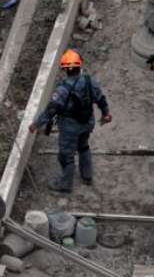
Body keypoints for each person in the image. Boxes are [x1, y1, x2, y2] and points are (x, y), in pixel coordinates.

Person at [29, 49, 112, 192]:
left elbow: (51, 110)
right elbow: (101, 99)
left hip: (70, 128)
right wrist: (106, 114)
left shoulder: (62, 90)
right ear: (80, 66)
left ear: (64, 69)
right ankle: (87, 175)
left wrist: (36, 124)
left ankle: (65, 185)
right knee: (83, 146)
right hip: (87, 123)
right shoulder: (89, 81)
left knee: (66, 156)